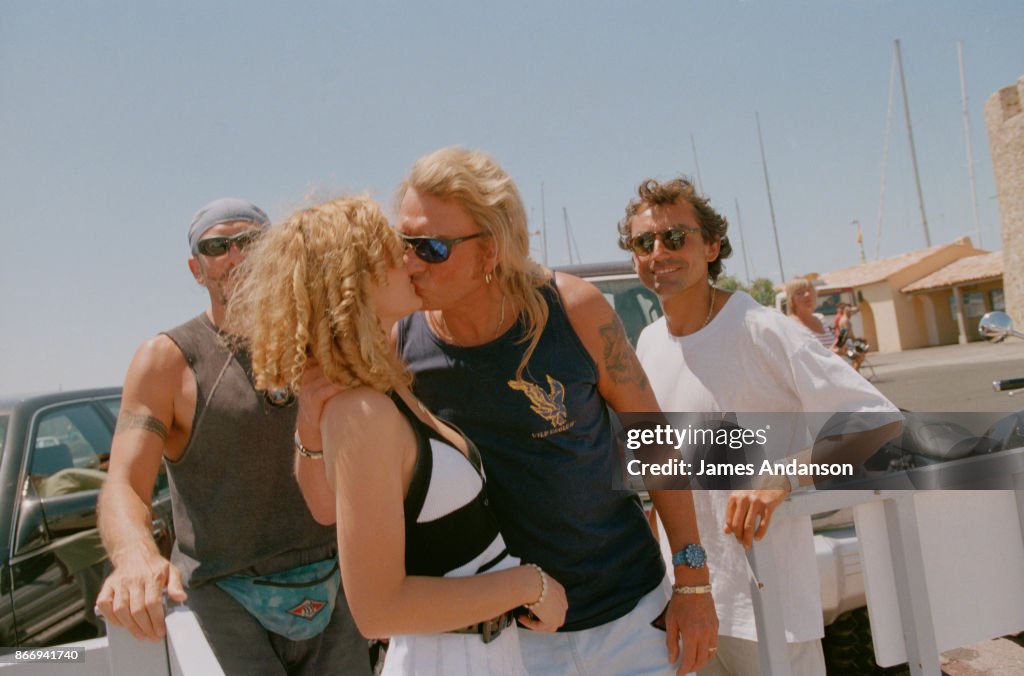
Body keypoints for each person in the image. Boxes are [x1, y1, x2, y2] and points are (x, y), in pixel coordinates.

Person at [377, 146, 718, 676]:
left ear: (491, 249)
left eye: (432, 248)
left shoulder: (574, 310)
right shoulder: (401, 346)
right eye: (404, 243)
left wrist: (693, 582)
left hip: (633, 619)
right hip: (510, 644)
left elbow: (655, 444)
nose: (409, 262)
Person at [226, 194, 569, 676]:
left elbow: (330, 507)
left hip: (488, 651)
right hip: (452, 658)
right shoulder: (362, 409)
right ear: (351, 280)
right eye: (392, 251)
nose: (411, 259)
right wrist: (530, 585)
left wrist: (308, 426)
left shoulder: (381, 385)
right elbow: (377, 610)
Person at [618, 177, 902, 676]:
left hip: (768, 605)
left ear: (711, 246)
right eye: (645, 242)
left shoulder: (759, 328)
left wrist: (784, 475)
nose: (659, 251)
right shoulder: (647, 343)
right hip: (686, 603)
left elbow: (879, 424)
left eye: (675, 237)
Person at [96, 198, 369, 675]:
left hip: (333, 585)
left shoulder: (323, 342)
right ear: (196, 268)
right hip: (224, 599)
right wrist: (135, 556)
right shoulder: (168, 360)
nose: (236, 256)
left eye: (251, 242)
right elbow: (123, 483)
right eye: (217, 246)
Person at [784, 277, 838, 353]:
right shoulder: (790, 325)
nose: (807, 294)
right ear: (791, 300)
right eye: (800, 292)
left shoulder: (820, 318)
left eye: (809, 290)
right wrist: (831, 354)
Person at [834, 303, 866, 372]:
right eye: (850, 312)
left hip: (847, 343)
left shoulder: (844, 319)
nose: (851, 313)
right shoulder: (845, 320)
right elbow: (845, 335)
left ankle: (856, 372)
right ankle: (855, 373)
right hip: (847, 344)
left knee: (859, 356)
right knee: (859, 356)